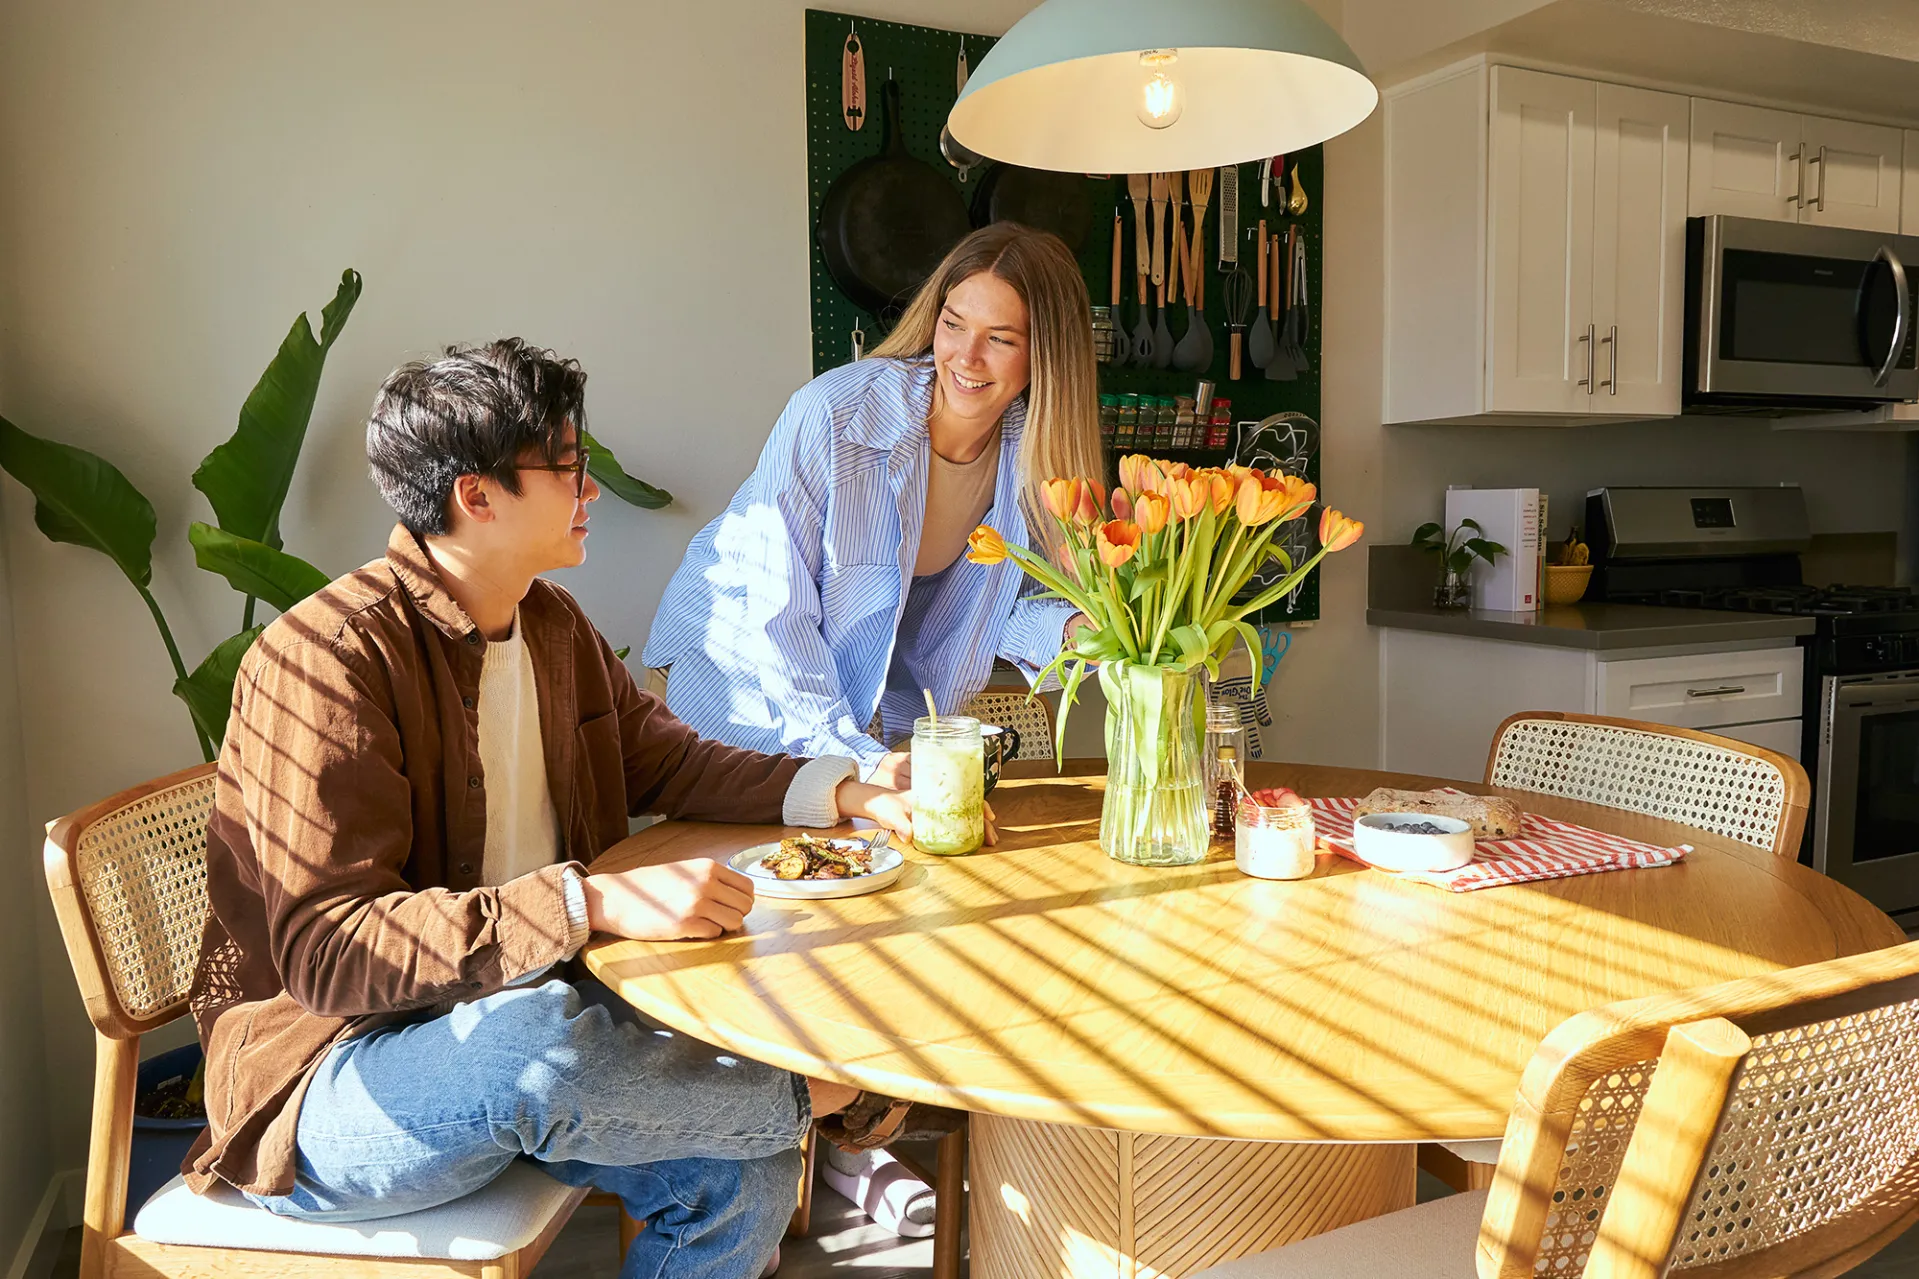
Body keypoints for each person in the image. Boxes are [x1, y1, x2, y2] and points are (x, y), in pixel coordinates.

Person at [182, 339, 918, 1279]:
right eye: (567, 467)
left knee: (746, 1175)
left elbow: (669, 761)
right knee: (534, 1052)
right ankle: (823, 1096)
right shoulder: (325, 659)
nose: (589, 488)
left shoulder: (553, 627)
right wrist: (587, 902)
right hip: (330, 1079)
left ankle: (802, 1102)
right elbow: (331, 951)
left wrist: (842, 789)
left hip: (520, 1020)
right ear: (475, 495)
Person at [643, 223, 1103, 785]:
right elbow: (777, 612)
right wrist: (859, 759)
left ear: (1047, 356)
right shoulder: (834, 414)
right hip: (735, 683)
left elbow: (1000, 610)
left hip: (845, 722)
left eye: (1001, 339)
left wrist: (1073, 630)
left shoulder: (1034, 462)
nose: (966, 356)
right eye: (953, 324)